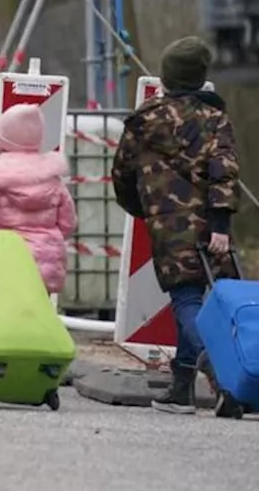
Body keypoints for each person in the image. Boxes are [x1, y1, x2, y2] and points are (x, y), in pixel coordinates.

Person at [112, 36, 240, 414]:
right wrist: (219, 223)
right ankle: (183, 385)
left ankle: (218, 372)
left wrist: (143, 209)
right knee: (204, 299)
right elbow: (225, 174)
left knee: (186, 299)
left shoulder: (142, 122)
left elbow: (122, 175)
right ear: (201, 79)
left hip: (168, 225)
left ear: (165, 78)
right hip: (212, 225)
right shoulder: (215, 119)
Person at [0, 104, 77, 295]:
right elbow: (68, 224)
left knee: (5, 316)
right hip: (45, 266)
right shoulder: (53, 179)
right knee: (36, 315)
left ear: (2, 138)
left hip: (2, 262)